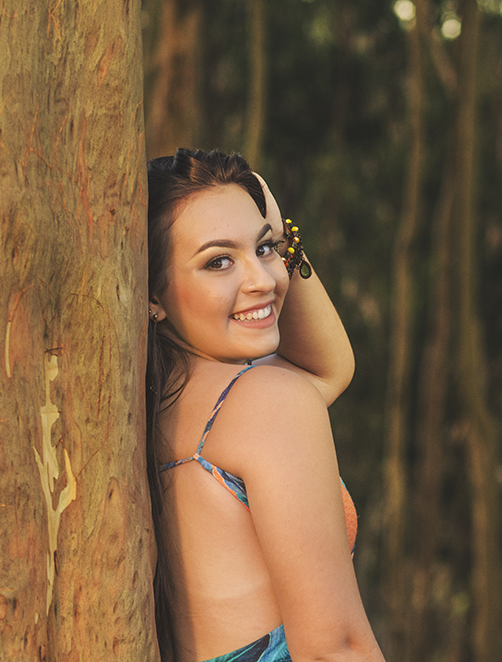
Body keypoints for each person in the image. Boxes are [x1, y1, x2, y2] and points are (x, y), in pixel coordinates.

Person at [146, 148, 386, 662]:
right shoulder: (268, 402)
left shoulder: (153, 408)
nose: (264, 279)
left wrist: (285, 237)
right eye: (219, 261)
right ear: (153, 294)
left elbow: (332, 370)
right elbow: (334, 649)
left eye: (265, 248)